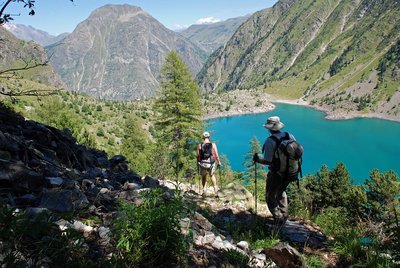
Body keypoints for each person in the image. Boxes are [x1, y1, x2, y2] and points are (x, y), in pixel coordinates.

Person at [253, 116, 296, 224]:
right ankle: (284, 215)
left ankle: (278, 218)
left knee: (270, 196)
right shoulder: (289, 135)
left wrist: (258, 160)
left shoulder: (270, 141)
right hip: (291, 171)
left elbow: (268, 161)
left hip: (277, 173)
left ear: (269, 128)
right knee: (281, 191)